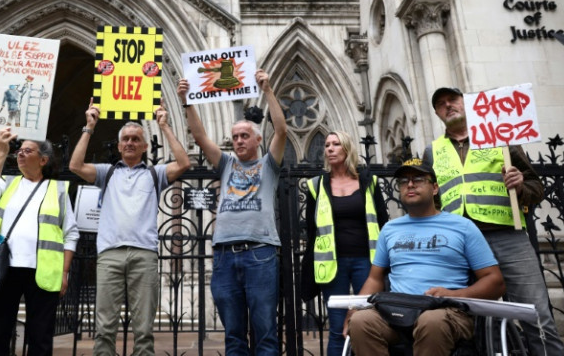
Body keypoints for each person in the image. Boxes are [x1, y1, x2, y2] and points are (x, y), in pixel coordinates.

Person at [423, 87, 564, 356]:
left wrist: (521, 184)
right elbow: (435, 202)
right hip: (461, 245)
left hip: (507, 236)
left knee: (535, 314)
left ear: (467, 103)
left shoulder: (501, 138)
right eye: (441, 104)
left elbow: (537, 186)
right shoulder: (433, 151)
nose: (447, 106)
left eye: (452, 100)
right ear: (437, 114)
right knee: (473, 319)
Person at [345, 159, 505, 356]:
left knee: (431, 321)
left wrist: (453, 295)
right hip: (395, 313)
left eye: (418, 179)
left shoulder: (462, 227)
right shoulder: (389, 229)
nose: (410, 185)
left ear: (435, 188)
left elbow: (495, 281)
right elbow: (374, 278)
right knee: (361, 321)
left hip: (447, 312)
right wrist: (354, 309)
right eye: (403, 181)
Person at [177, 69, 287, 356]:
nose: (238, 141)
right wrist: (186, 102)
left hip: (260, 253)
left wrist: (268, 91)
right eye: (235, 136)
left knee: (265, 333)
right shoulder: (226, 164)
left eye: (244, 136)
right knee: (233, 336)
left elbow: (283, 130)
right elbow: (200, 137)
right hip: (224, 255)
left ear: (258, 140)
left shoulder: (268, 166)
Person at [69, 97, 190, 356]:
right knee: (104, 328)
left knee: (144, 329)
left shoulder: (154, 173)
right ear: (119, 145)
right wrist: (89, 126)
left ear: (145, 146)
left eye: (136, 139)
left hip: (144, 254)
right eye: (126, 139)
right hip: (110, 254)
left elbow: (184, 164)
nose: (131, 143)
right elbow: (75, 166)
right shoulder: (107, 172)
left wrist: (165, 126)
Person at [0, 129, 79, 355]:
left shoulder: (58, 189)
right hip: (5, 269)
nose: (21, 154)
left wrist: (65, 272)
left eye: (28, 151)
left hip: (42, 271)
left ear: (43, 160)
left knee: (40, 335)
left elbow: (71, 234)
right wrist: (0, 152)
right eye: (19, 151)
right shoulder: (8, 183)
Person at [301, 130, 389, 356]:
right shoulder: (316, 186)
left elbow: (382, 221)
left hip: (367, 262)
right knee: (338, 326)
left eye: (336, 144)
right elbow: (312, 230)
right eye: (327, 145)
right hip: (332, 264)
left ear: (347, 148)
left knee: (366, 320)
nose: (329, 148)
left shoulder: (369, 182)